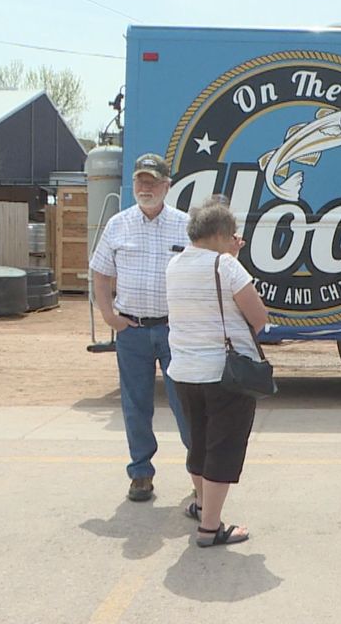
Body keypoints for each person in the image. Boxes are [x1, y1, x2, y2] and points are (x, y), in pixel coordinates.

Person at [166, 195, 269, 547]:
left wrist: (228, 256)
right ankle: (210, 528)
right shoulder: (226, 266)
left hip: (183, 370)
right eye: (233, 236)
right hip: (223, 375)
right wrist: (232, 260)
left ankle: (200, 505)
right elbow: (258, 317)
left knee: (198, 442)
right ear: (223, 235)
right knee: (222, 448)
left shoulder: (175, 265)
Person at [90, 153, 192, 502]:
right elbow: (100, 274)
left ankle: (201, 475)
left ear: (167, 185)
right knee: (135, 406)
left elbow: (208, 269)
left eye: (152, 181)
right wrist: (108, 315)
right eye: (139, 181)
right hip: (131, 330)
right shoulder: (118, 224)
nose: (145, 187)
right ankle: (141, 474)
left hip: (173, 331)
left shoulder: (186, 225)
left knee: (188, 404)